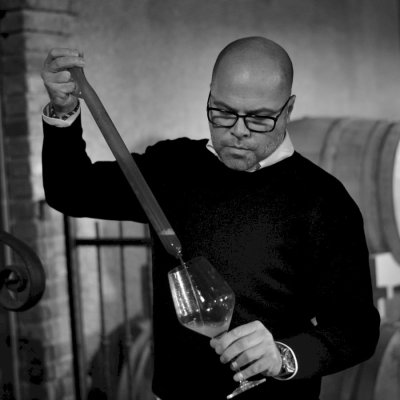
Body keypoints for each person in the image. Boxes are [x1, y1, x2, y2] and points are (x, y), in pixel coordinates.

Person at [40, 37, 380, 400]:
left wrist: (283, 356)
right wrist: (62, 110)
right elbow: (70, 190)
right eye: (223, 111)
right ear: (209, 97)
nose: (238, 130)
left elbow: (357, 330)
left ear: (288, 109)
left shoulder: (323, 201)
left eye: (259, 118)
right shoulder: (174, 168)